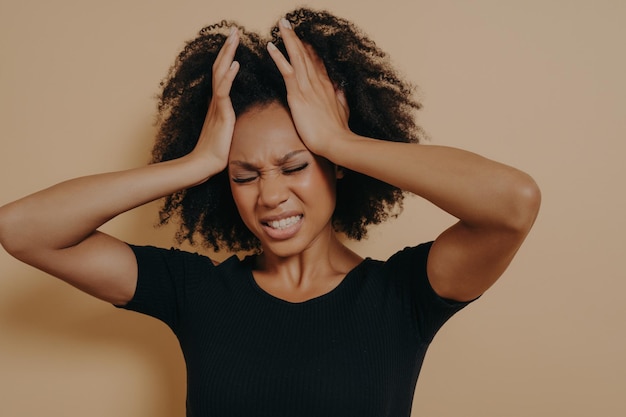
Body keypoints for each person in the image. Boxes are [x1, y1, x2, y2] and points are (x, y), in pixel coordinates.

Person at [0, 8, 540, 417]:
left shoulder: (403, 296)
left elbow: (512, 203)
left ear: (335, 166)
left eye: (295, 165)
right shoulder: (197, 293)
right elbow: (22, 229)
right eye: (245, 174)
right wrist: (196, 163)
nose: (271, 195)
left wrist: (340, 141)